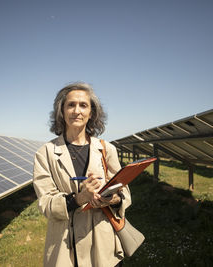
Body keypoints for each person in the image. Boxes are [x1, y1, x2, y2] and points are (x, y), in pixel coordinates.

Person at [33, 82, 131, 267]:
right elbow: (45, 203)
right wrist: (79, 199)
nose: (77, 111)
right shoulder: (45, 153)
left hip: (102, 244)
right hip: (64, 245)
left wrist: (113, 199)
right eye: (71, 105)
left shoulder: (106, 149)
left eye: (83, 105)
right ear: (61, 111)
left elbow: (124, 191)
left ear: (91, 113)